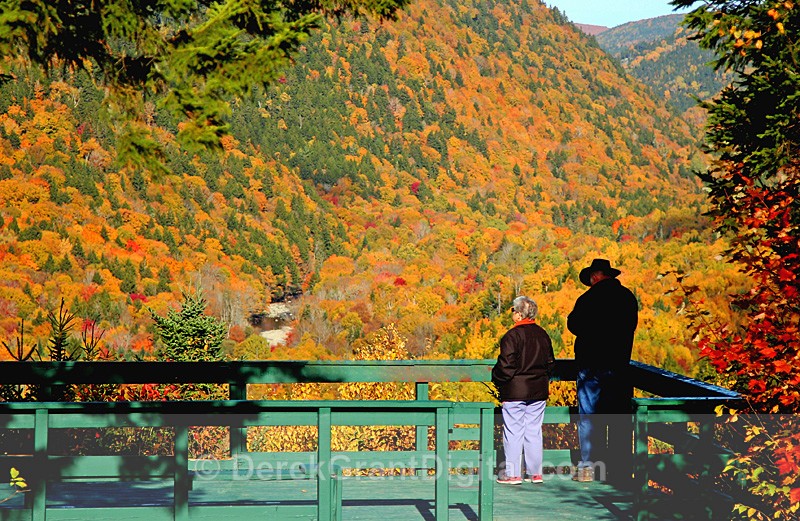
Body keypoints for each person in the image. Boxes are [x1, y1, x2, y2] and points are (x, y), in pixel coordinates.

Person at [567, 258, 638, 483]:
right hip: (619, 366)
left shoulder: (588, 299)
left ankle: (589, 467)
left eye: (590, 278)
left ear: (595, 276)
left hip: (591, 366)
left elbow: (574, 325)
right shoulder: (627, 298)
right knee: (618, 417)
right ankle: (618, 471)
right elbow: (631, 326)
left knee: (589, 416)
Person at [492, 295, 556, 485]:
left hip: (515, 391)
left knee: (513, 430)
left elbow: (506, 366)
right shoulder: (543, 334)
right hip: (538, 390)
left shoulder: (512, 336)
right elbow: (550, 364)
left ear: (519, 314)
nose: (512, 313)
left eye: (513, 310)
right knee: (534, 430)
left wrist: (498, 379)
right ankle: (535, 473)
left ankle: (513, 474)